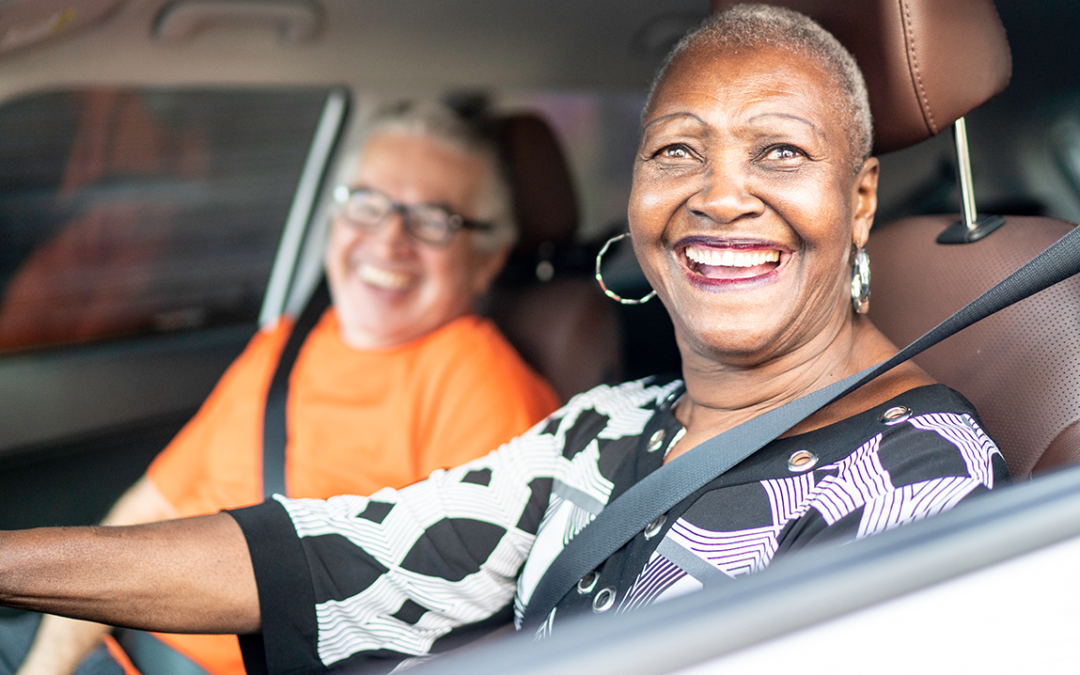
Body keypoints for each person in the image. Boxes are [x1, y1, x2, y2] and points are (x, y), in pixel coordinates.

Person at [0, 6, 1009, 675]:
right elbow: (346, 557)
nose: (719, 196)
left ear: (861, 197)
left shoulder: (919, 472)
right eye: (676, 153)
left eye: (780, 150)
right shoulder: (608, 427)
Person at [5, 102, 560, 675]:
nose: (389, 240)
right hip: (98, 644)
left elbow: (460, 635)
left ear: (486, 259)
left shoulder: (488, 392)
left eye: (434, 218)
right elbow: (148, 507)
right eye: (367, 204)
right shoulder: (290, 342)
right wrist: (48, 664)